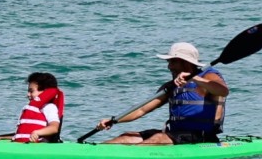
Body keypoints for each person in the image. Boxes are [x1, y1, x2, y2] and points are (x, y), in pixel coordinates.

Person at [98, 42, 228, 145]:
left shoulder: (208, 75)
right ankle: (96, 153)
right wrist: (114, 120)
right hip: (175, 135)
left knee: (157, 139)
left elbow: (223, 90)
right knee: (127, 137)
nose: (169, 66)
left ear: (185, 62)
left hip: (202, 136)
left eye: (172, 61)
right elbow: (141, 110)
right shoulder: (171, 86)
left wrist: (194, 78)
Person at [0, 72, 64, 142]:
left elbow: (54, 128)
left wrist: (37, 132)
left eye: (31, 91)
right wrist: (2, 138)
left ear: (45, 92)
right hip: (25, 143)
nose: (28, 95)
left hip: (39, 145)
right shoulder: (31, 109)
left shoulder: (49, 107)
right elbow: (23, 134)